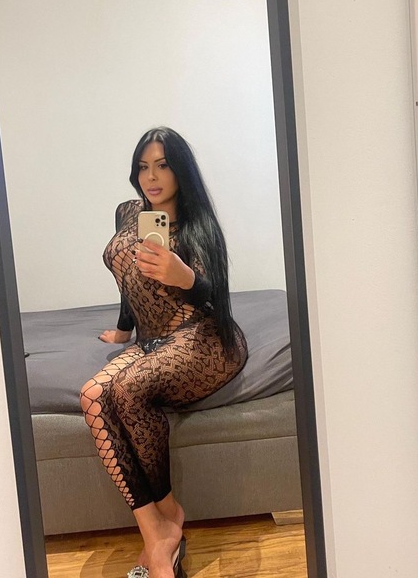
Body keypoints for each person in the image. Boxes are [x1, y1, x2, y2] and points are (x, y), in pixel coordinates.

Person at [80, 127, 248, 578]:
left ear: (180, 170)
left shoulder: (198, 225)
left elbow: (217, 298)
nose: (150, 177)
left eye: (162, 165)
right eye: (143, 166)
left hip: (203, 338)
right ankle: (158, 528)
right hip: (152, 339)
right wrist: (123, 330)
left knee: (128, 389)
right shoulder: (129, 212)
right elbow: (128, 281)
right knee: (92, 396)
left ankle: (166, 525)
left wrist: (185, 277)